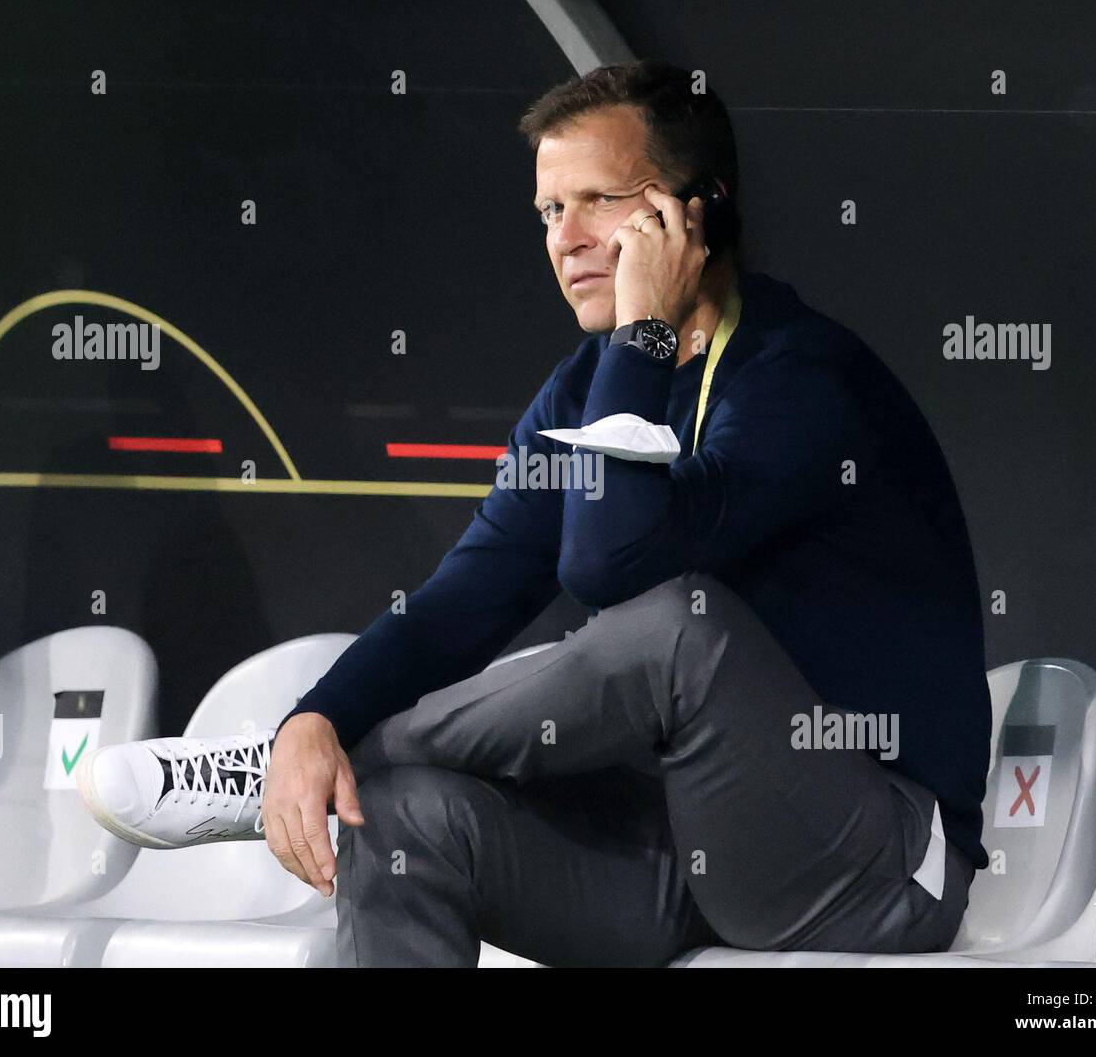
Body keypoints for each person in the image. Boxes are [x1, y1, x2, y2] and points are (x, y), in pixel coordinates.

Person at [78, 59, 991, 967]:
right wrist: (315, 719)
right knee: (396, 816)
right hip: (682, 853)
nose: (567, 238)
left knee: (678, 628)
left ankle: (291, 765)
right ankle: (319, 756)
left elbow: (615, 563)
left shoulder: (803, 377)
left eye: (600, 200)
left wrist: (643, 335)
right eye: (552, 211)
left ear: (692, 213)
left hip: (875, 861)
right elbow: (461, 601)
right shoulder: (582, 392)